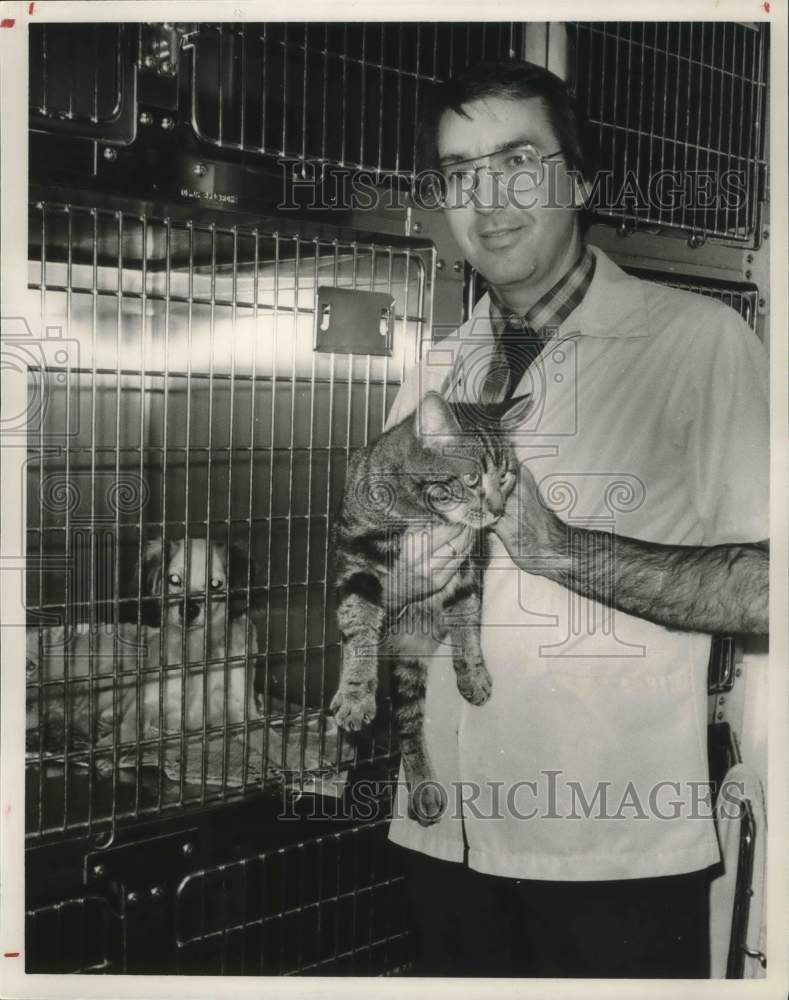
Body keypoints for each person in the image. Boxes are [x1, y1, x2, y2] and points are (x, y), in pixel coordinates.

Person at [380, 59, 769, 978]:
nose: (488, 199)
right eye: (460, 174)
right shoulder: (436, 365)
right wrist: (399, 589)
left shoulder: (698, 342)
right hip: (445, 840)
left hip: (610, 858)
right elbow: (391, 583)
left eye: (517, 163)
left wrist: (567, 553)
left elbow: (769, 588)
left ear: (581, 179)